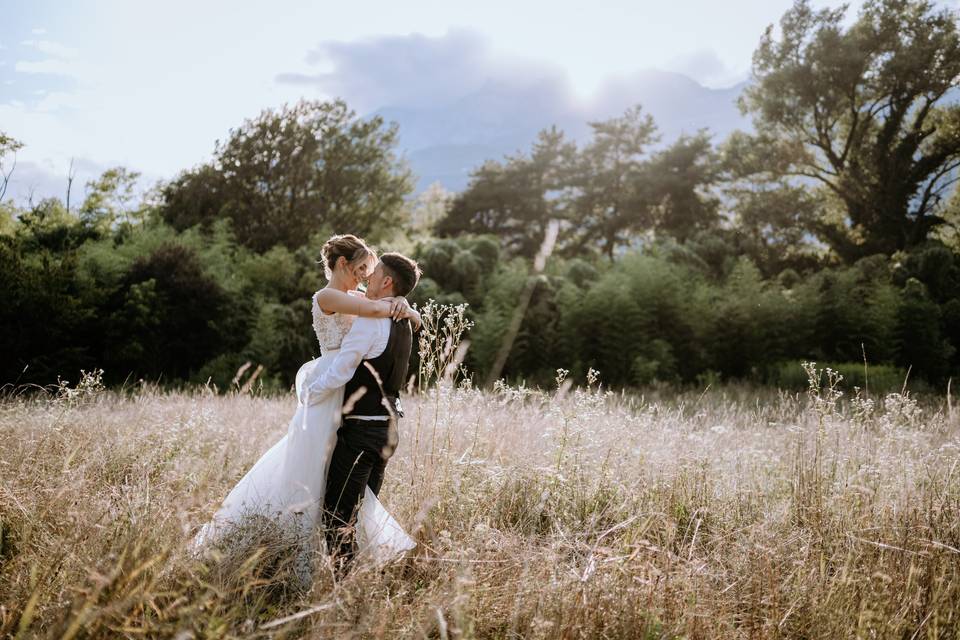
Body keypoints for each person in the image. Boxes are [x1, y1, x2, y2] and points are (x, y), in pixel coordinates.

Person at [192, 234, 417, 573]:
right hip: (331, 393)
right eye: (359, 269)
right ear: (342, 264)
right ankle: (287, 549)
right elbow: (374, 309)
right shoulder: (328, 296)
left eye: (369, 271)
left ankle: (336, 561)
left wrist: (409, 308)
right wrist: (402, 305)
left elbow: (374, 313)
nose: (363, 276)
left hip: (350, 402)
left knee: (339, 487)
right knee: (308, 475)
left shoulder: (359, 297)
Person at [301, 251, 422, 572]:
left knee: (337, 515)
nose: (367, 277)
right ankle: (367, 575)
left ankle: (345, 589)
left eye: (374, 273)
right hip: (390, 428)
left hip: (362, 432)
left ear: (386, 282)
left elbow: (342, 370)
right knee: (362, 510)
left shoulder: (372, 321)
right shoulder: (404, 322)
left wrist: (309, 393)